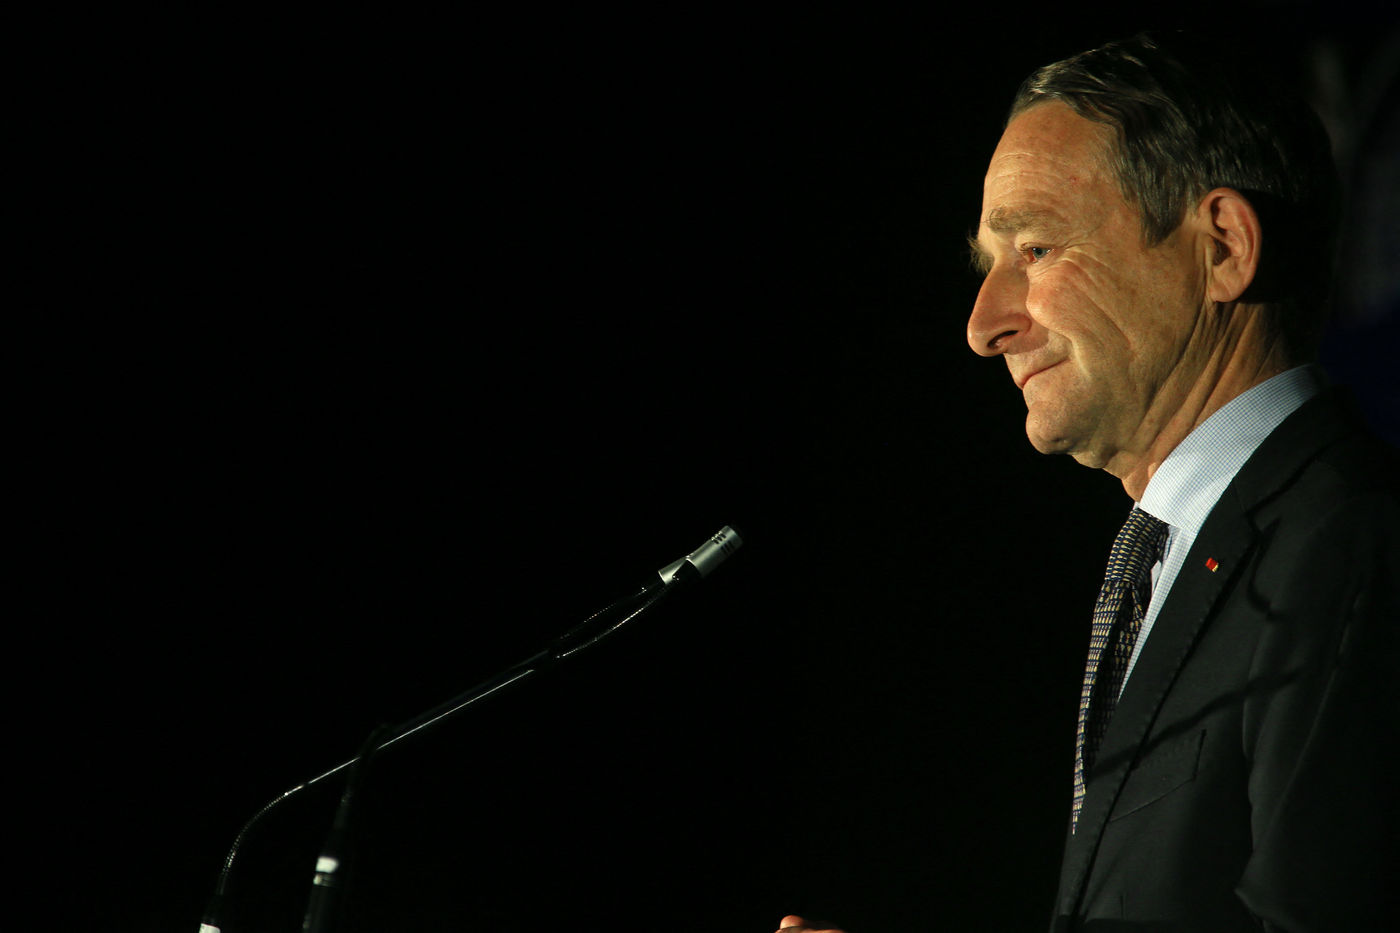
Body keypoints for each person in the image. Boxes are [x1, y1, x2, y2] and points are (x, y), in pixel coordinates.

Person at [779, 30, 1397, 933]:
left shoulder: (1353, 545)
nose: (983, 325)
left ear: (1224, 247)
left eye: (1034, 249)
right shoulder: (1184, 556)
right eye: (988, 264)